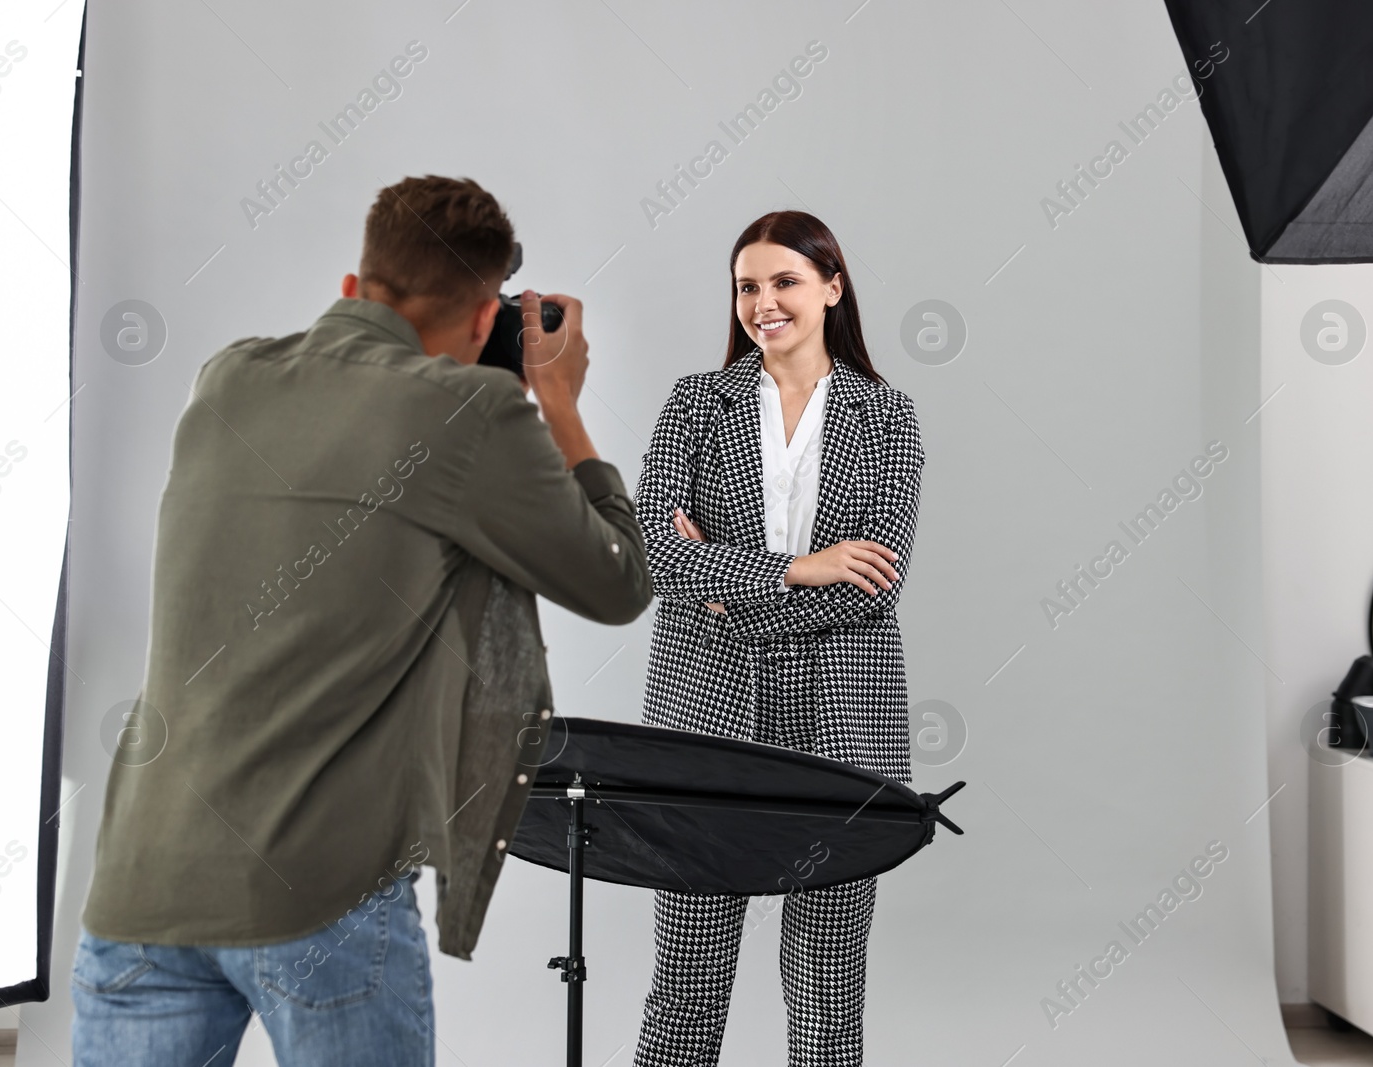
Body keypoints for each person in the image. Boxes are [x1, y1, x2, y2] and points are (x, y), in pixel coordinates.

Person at [69, 175, 653, 1066]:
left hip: (142, 886)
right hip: (319, 887)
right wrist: (559, 404)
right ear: (481, 320)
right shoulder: (474, 411)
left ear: (353, 288)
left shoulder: (226, 377)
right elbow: (617, 582)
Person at [630, 210, 925, 1067]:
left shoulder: (889, 417)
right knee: (685, 979)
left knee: (829, 992)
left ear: (833, 288)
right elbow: (655, 551)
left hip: (840, 721)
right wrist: (799, 568)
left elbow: (874, 585)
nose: (763, 302)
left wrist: (716, 588)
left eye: (785, 281)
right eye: (747, 286)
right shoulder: (695, 402)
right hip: (702, 717)